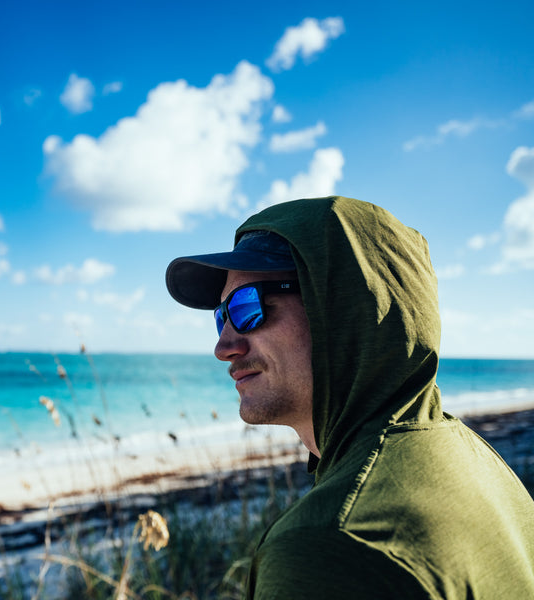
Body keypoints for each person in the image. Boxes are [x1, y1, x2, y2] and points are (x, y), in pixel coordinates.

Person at [165, 196, 534, 599]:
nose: (224, 346)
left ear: (345, 309)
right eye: (222, 315)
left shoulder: (328, 544)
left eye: (248, 306)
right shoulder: (476, 458)